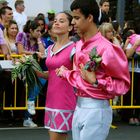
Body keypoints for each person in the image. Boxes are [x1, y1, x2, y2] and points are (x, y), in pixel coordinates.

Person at [56, 0, 130, 140]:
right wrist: (66, 73)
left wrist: (97, 82)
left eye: (77, 18)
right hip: (79, 106)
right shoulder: (78, 45)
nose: (72, 23)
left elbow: (123, 85)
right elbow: (80, 77)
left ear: (89, 18)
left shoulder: (108, 48)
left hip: (97, 108)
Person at [36, 11, 77, 140]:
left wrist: (67, 73)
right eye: (55, 21)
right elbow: (52, 74)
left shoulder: (74, 49)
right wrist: (34, 70)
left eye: (62, 21)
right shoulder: (49, 49)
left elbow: (78, 74)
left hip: (65, 99)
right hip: (51, 98)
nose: (57, 23)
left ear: (70, 27)